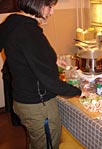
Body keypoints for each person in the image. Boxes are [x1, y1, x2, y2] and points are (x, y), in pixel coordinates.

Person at [0, 0, 82, 148]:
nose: (52, 12)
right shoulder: (30, 33)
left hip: (21, 100)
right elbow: (51, 83)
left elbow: (22, 53)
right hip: (39, 106)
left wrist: (51, 60)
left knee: (36, 142)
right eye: (49, 7)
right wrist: (80, 92)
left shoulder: (12, 22)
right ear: (36, 4)